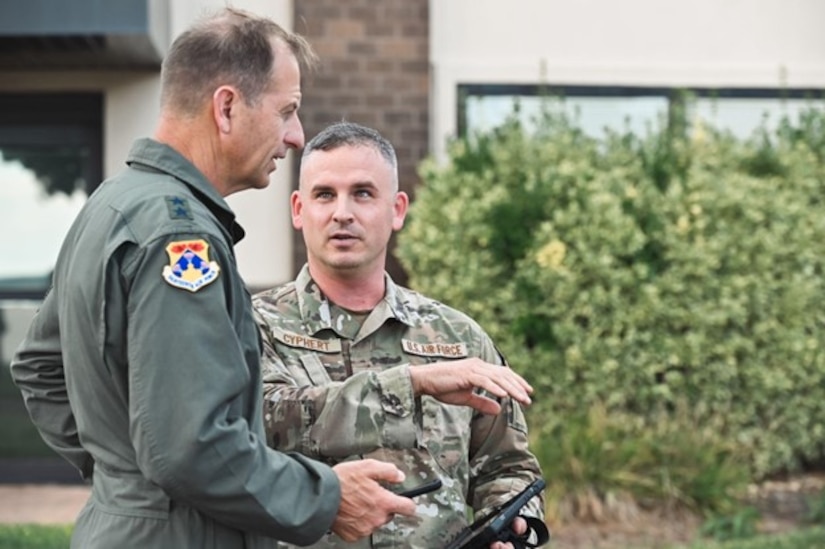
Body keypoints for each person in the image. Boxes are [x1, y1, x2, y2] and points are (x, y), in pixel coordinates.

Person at [9, 10, 417, 549]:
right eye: (287, 111)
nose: (296, 136)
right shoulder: (180, 237)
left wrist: (126, 479)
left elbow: (39, 365)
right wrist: (325, 497)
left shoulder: (114, 204)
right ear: (226, 108)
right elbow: (190, 445)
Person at [252, 121, 546, 548]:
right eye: (324, 195)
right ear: (298, 209)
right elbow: (259, 424)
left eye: (363, 193)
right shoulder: (251, 325)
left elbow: (508, 465)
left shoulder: (457, 337)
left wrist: (515, 532)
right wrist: (414, 384)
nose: (342, 213)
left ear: (398, 209)